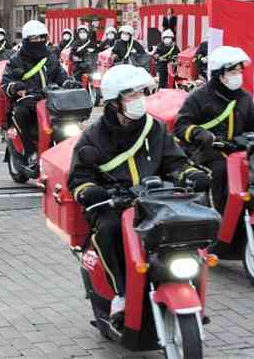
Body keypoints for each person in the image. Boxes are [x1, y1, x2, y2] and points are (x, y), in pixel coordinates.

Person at [69, 64, 209, 320]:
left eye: (141, 93)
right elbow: (79, 179)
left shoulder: (154, 129)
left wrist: (192, 175)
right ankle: (121, 294)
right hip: (114, 204)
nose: (139, 100)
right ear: (114, 101)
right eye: (131, 95)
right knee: (109, 230)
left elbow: (175, 162)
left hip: (155, 199)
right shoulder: (93, 137)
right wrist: (91, 192)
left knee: (190, 224)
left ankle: (187, 285)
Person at [174, 46, 254, 212]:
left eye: (239, 71)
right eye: (232, 72)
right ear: (219, 74)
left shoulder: (244, 97)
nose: (238, 76)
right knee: (221, 171)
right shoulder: (199, 96)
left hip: (237, 151)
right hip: (205, 152)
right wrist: (199, 133)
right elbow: (181, 126)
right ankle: (219, 217)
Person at [1, 20, 76, 160]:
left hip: (52, 100)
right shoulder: (16, 59)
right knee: (20, 113)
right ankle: (30, 151)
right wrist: (17, 87)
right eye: (35, 38)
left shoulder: (50, 57)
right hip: (28, 101)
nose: (39, 41)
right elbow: (6, 82)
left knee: (71, 120)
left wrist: (69, 83)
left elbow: (61, 75)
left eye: (42, 37)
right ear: (26, 40)